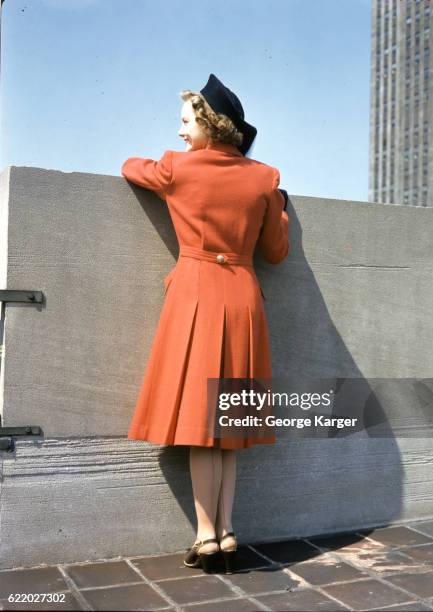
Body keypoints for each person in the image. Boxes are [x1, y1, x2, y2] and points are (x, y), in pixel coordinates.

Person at [121, 74, 289, 574]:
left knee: (200, 427)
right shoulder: (264, 178)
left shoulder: (176, 169)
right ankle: (229, 530)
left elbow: (131, 167)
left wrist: (168, 167)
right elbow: (276, 254)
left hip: (194, 295)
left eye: (186, 121)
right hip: (241, 297)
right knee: (230, 425)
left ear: (209, 125)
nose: (179, 133)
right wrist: (278, 209)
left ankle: (206, 535)